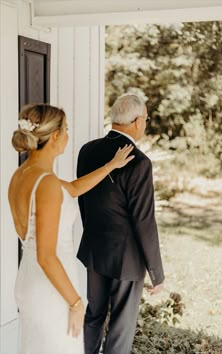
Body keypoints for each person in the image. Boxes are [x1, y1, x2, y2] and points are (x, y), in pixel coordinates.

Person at [8, 103, 134, 354]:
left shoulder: (22, 175)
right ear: (55, 136)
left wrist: (111, 166)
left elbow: (73, 189)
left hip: (30, 280)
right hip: (52, 288)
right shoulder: (47, 184)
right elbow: (46, 256)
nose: (68, 135)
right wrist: (76, 303)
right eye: (66, 130)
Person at [76, 94, 165, 354]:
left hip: (95, 250)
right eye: (146, 120)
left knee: (93, 316)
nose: (145, 124)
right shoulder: (139, 162)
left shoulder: (87, 150)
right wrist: (156, 273)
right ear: (137, 121)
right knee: (120, 327)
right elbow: (144, 220)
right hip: (126, 260)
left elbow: (83, 200)